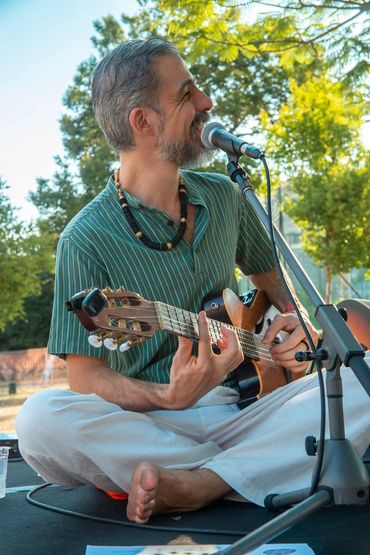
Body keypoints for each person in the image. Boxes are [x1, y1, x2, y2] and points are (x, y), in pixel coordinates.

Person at [16, 39, 369, 525]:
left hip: (245, 412)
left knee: (361, 376)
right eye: (186, 94)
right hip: (147, 423)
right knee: (38, 422)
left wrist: (295, 333)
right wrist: (168, 397)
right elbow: (85, 379)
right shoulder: (84, 238)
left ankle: (203, 481)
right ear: (143, 122)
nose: (206, 102)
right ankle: (247, 471)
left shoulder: (226, 196)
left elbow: (286, 299)